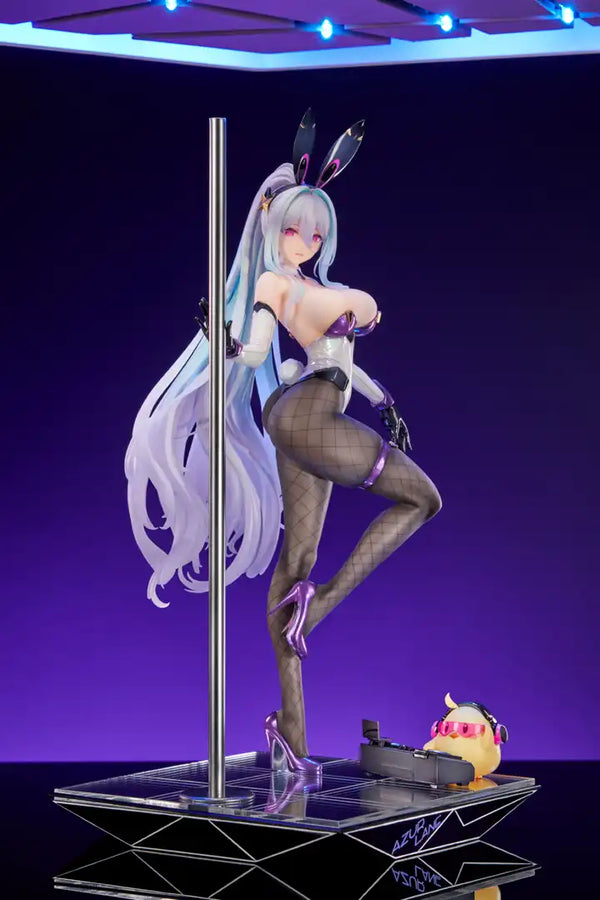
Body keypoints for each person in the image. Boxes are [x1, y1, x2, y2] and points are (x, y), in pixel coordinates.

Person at [125, 110, 441, 781]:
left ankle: (290, 732)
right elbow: (258, 350)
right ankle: (318, 607)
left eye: (316, 232)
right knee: (422, 498)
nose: (305, 240)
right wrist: (226, 343)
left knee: (296, 564)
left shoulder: (323, 288)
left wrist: (386, 404)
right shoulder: (276, 284)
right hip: (303, 413)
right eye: (295, 229)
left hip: (307, 411)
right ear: (273, 225)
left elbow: (342, 364)